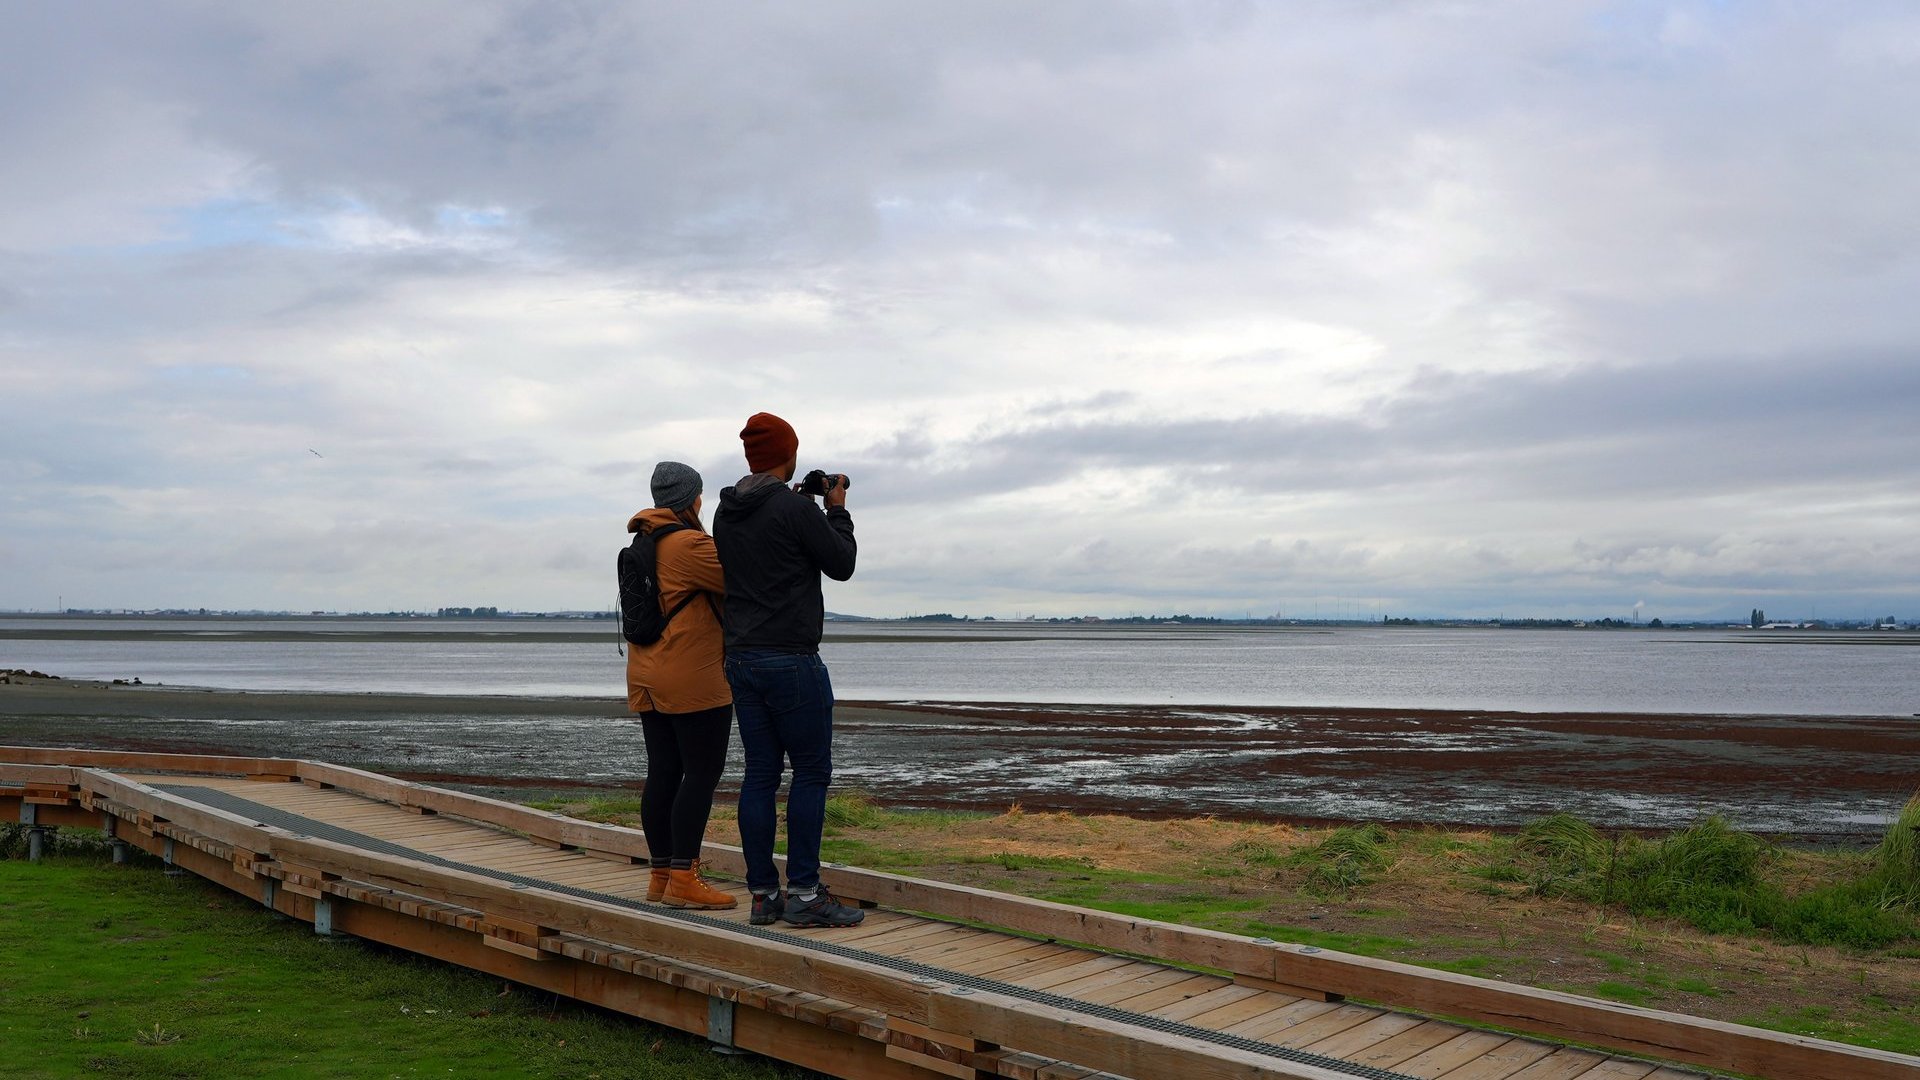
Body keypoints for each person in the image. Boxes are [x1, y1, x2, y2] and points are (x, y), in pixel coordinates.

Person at [713, 412, 862, 927]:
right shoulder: (794, 510)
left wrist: (801, 503)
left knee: (759, 775)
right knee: (811, 772)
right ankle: (804, 892)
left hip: (741, 657)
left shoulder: (725, 511)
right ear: (789, 453)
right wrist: (835, 509)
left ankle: (763, 895)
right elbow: (841, 563)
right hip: (792, 659)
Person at [626, 461, 736, 910]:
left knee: (664, 772)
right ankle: (684, 879)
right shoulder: (690, 545)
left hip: (647, 672)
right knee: (702, 773)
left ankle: (660, 876)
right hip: (692, 674)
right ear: (691, 498)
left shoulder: (643, 541)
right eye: (700, 495)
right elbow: (742, 580)